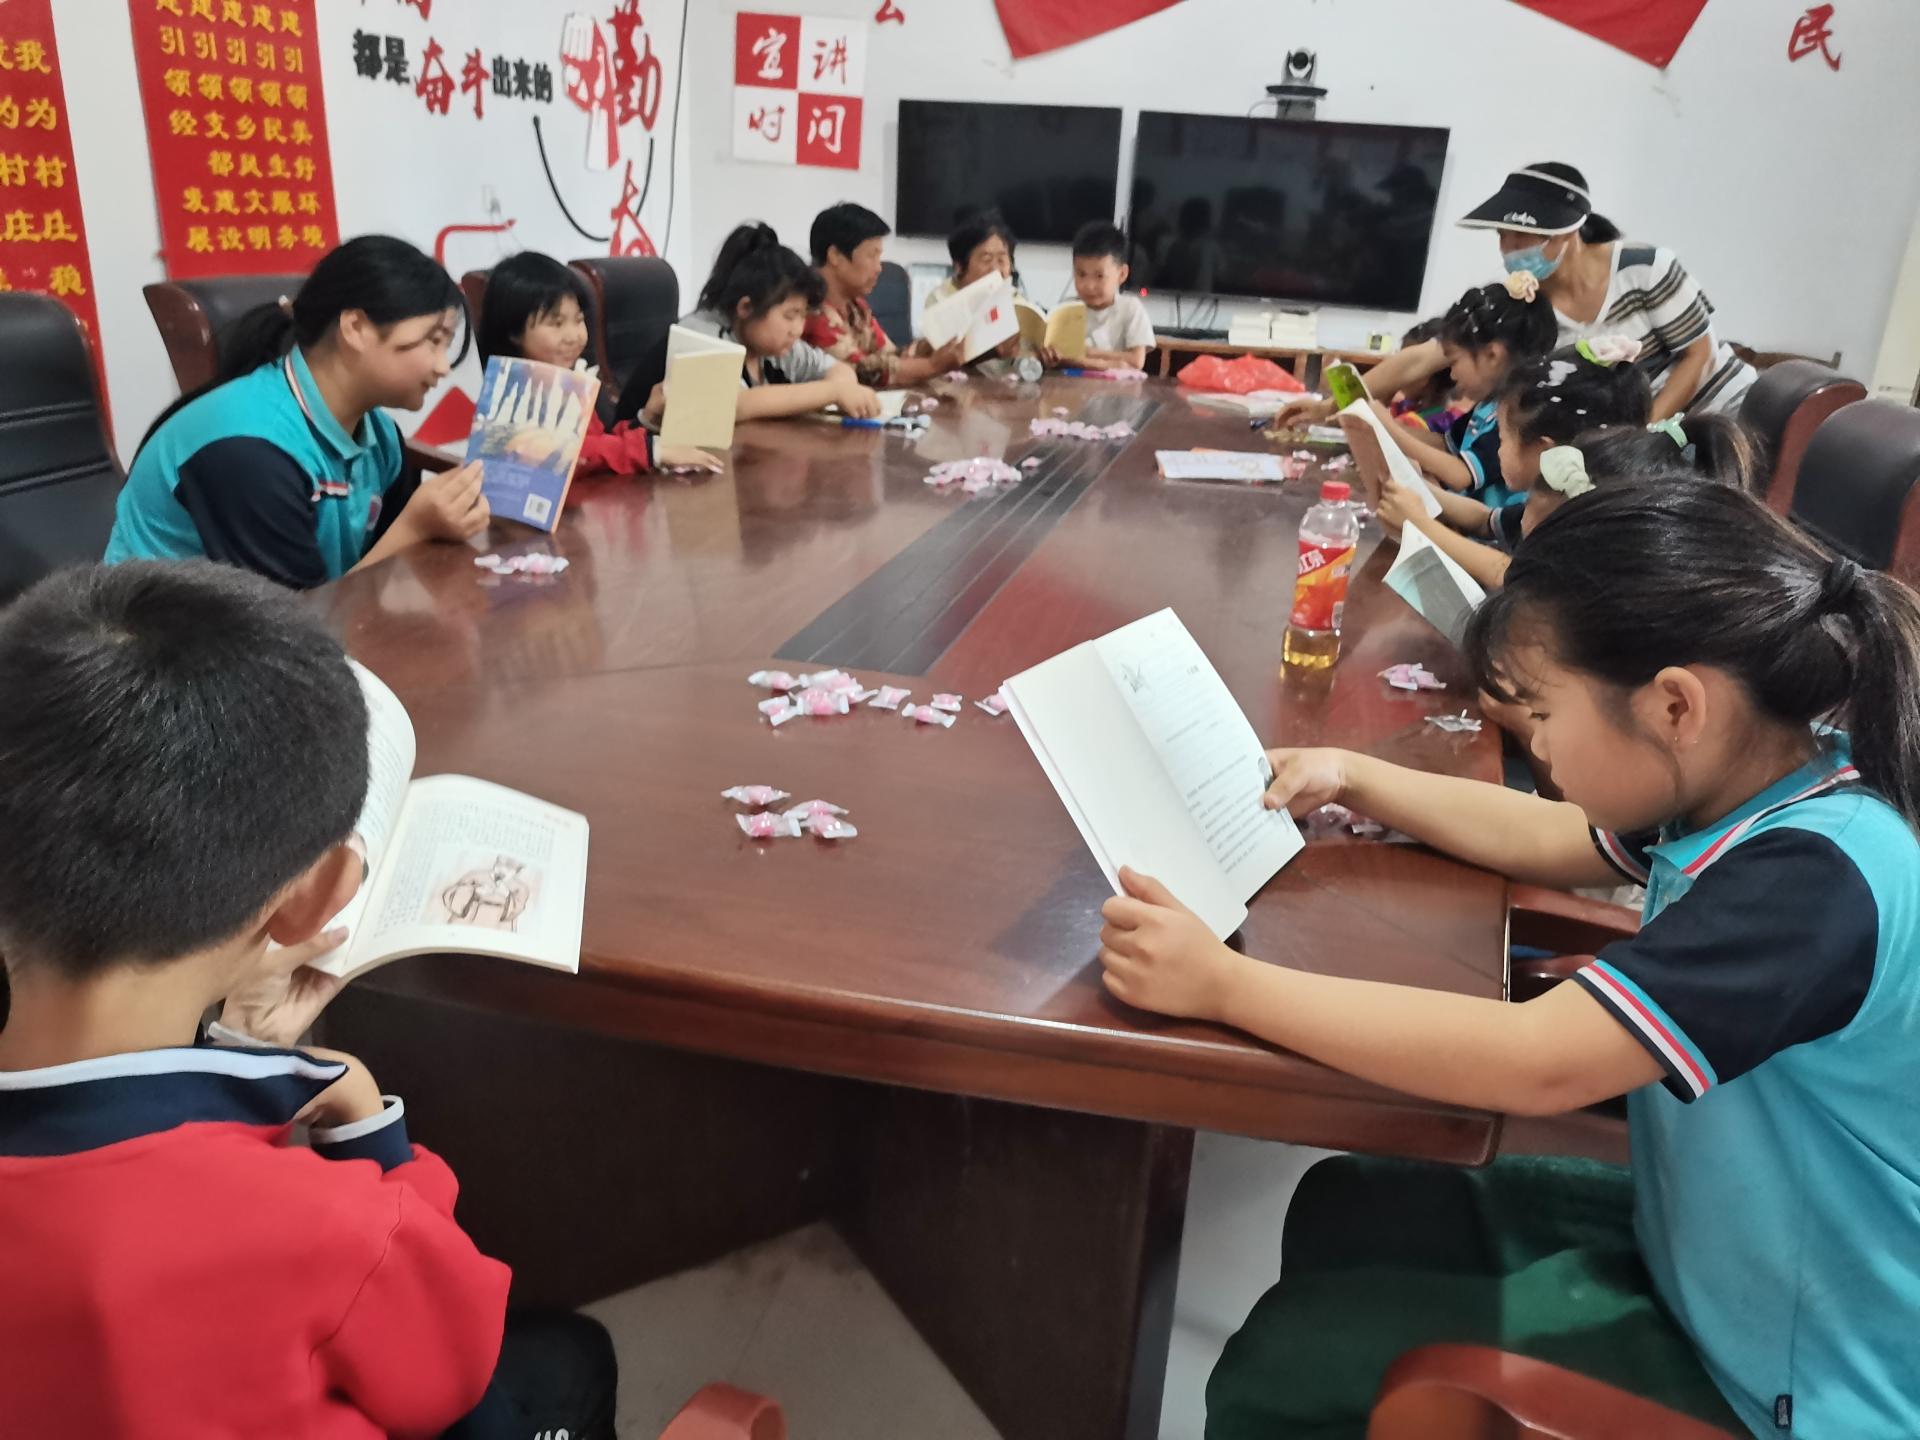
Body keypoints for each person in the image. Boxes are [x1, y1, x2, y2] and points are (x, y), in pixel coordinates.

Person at [1095, 481, 1920, 1438]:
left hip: (1802, 1376)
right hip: (1709, 1249)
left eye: (1542, 713)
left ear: (1674, 704)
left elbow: (1539, 1062)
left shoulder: (1813, 884)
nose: (1537, 746)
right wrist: (1354, 773)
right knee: (1348, 1204)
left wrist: (1225, 984)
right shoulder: (1755, 775)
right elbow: (1549, 833)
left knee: (1288, 1370)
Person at [0, 561, 618, 1439]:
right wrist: (368, 1129)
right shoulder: (331, 1227)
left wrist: (219, 1041)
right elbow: (451, 1373)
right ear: (318, 897)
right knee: (572, 1359)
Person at [105, 235, 490, 590]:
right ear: (356, 328)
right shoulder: (249, 452)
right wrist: (415, 527)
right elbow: (291, 629)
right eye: (434, 341)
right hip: (153, 634)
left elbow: (383, 574)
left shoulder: (379, 436)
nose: (443, 367)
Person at [1275, 162, 1755, 428]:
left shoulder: (1646, 268)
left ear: (1567, 233)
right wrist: (1327, 405)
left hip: (1731, 411)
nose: (1508, 249)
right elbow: (1420, 359)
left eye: (1520, 236)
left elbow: (1699, 355)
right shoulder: (1527, 307)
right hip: (1653, 439)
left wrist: (1645, 432)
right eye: (1502, 236)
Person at [1376, 337, 1654, 590]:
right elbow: (1485, 519)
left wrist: (1421, 524)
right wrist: (1417, 488)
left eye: (1502, 437)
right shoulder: (1555, 498)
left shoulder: (1585, 526)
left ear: (1545, 452)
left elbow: (1509, 574)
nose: (1499, 449)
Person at [476, 250, 721, 478]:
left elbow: (600, 444)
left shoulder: (568, 382)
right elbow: (568, 453)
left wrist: (646, 420)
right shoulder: (505, 392)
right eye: (556, 323)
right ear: (514, 332)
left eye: (578, 320)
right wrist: (651, 451)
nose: (574, 336)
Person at [642, 222, 880, 424]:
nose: (797, 329)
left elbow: (839, 371)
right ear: (746, 307)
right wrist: (834, 391)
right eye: (790, 315)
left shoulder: (773, 345)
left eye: (803, 315)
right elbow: (732, 404)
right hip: (638, 458)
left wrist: (842, 387)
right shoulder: (701, 334)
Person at [1374, 275, 1559, 505]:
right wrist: (1377, 426)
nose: (1452, 374)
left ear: (1492, 355)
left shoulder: (1516, 415)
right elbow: (1445, 445)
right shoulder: (1488, 405)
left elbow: (1461, 474)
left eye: (1453, 361)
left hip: (1485, 525)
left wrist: (1389, 428)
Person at [803, 202, 965, 387]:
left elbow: (889, 356)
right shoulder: (810, 311)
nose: (879, 268)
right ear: (835, 256)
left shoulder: (855, 306)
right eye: (871, 256)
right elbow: (863, 371)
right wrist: (932, 366)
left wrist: (930, 345)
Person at [1051, 220, 1154, 371]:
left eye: (1099, 276)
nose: (1089, 285)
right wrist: (1112, 364)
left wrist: (1087, 355)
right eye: (1081, 274)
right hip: (1070, 384)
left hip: (1116, 386)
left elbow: (1136, 361)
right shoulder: (1066, 308)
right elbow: (1059, 357)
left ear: (1122, 274)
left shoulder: (1131, 308)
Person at [923, 208, 1028, 313]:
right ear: (959, 266)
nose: (995, 269)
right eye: (987, 260)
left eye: (1001, 260)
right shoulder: (940, 300)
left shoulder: (1019, 304)